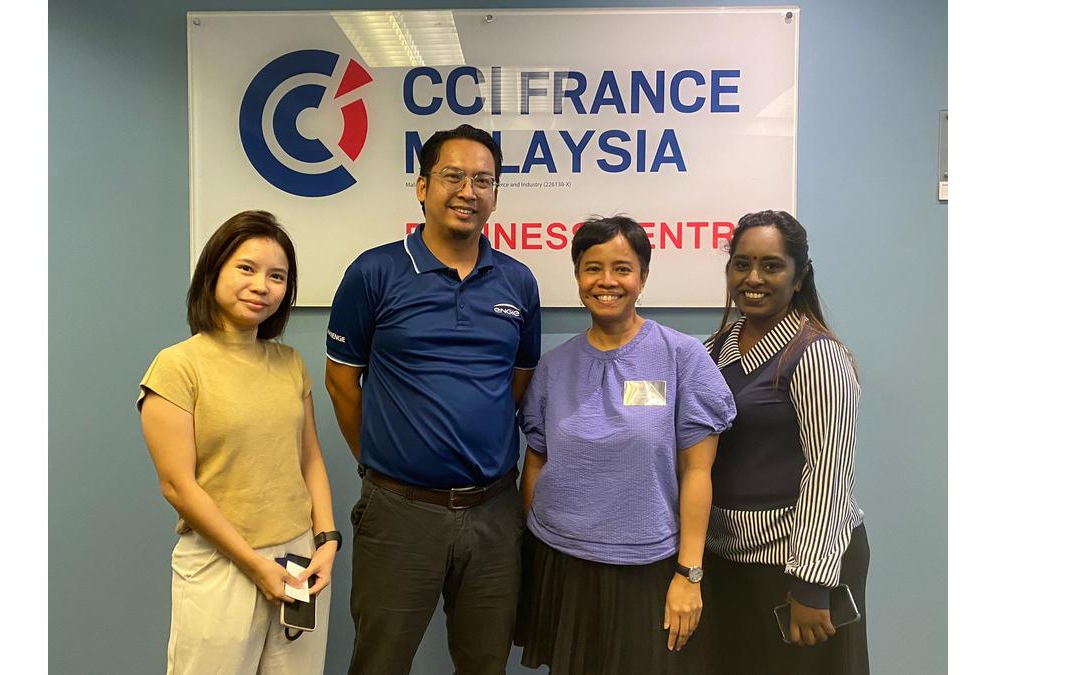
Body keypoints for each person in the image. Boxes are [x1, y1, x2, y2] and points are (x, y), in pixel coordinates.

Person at [324, 124, 542, 675]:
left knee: (486, 663)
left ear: (495, 195)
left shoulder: (518, 282)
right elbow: (341, 382)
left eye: (483, 181)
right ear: (422, 187)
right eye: (453, 176)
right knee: (380, 662)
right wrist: (379, 461)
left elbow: (517, 383)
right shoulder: (374, 272)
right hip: (399, 512)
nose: (468, 191)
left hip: (494, 512)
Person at [515, 216, 736, 675]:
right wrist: (527, 551)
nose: (607, 281)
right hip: (559, 559)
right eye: (593, 268)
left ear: (643, 276)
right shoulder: (554, 366)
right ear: (577, 276)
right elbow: (535, 462)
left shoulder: (681, 357)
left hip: (647, 565)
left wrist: (689, 573)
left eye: (622, 268)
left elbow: (698, 472)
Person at [138, 211, 339, 675]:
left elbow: (310, 460)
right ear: (213, 272)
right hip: (222, 562)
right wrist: (253, 564)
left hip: (299, 561)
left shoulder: (290, 362)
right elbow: (177, 486)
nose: (261, 286)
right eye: (246, 268)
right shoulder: (177, 366)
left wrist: (326, 541)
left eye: (277, 276)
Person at [702, 209, 869, 673]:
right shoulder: (712, 351)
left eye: (771, 266)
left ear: (798, 278)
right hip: (728, 559)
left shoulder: (817, 355)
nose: (753, 278)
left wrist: (811, 584)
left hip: (799, 562)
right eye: (741, 264)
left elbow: (829, 472)